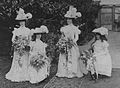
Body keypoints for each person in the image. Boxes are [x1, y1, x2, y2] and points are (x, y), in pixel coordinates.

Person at [56, 5, 87, 78]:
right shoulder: (64, 28)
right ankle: (64, 72)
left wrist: (72, 41)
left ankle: (72, 72)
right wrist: (62, 42)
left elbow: (76, 37)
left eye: (70, 19)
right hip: (65, 44)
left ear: (72, 20)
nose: (68, 20)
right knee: (64, 57)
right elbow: (62, 36)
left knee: (72, 57)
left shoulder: (75, 28)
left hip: (72, 44)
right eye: (67, 19)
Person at [5, 8, 32, 82]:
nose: (22, 23)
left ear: (25, 22)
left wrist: (27, 44)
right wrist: (18, 43)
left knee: (24, 60)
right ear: (19, 22)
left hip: (25, 49)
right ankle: (17, 74)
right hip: (18, 48)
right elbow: (13, 39)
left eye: (23, 21)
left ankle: (25, 74)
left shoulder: (28, 30)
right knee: (18, 61)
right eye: (20, 21)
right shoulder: (16, 30)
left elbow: (30, 40)